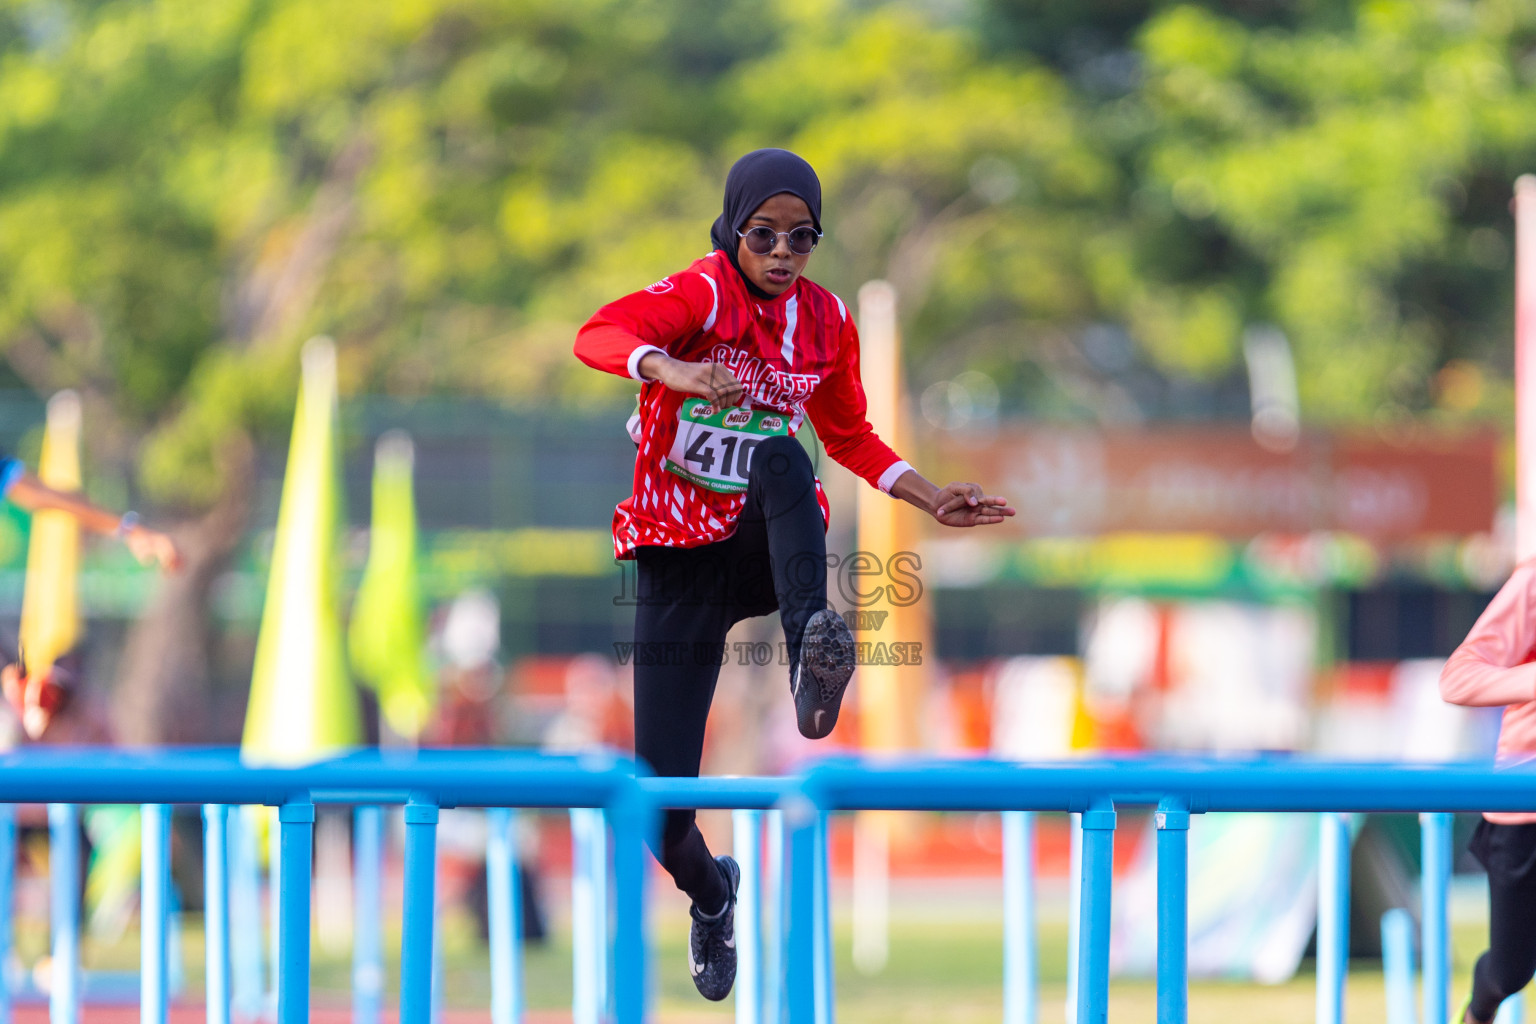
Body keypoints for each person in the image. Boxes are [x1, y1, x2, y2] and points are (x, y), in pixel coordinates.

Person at [573, 148, 1015, 1001]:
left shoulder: (827, 320)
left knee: (783, 459)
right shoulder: (701, 293)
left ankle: (812, 643)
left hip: (762, 547)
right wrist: (666, 366)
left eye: (802, 238)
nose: (782, 253)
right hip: (675, 559)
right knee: (662, 815)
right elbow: (597, 333)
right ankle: (714, 892)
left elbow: (848, 435)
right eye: (764, 235)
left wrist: (928, 496)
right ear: (733, 232)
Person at [1440, 560, 1536, 1024]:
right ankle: (1479, 1009)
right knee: (1510, 970)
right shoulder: (1533, 582)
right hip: (1523, 809)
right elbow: (1456, 678)